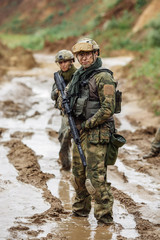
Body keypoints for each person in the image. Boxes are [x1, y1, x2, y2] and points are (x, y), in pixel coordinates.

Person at [66, 38, 117, 225]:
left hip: (97, 133)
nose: (84, 58)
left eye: (87, 54)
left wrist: (87, 125)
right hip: (79, 132)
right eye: (80, 55)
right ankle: (80, 213)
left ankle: (104, 219)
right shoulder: (78, 75)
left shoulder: (103, 77)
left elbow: (107, 109)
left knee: (95, 179)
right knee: (78, 177)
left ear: (96, 54)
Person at [51, 50, 77, 171]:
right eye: (60, 62)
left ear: (72, 61)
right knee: (63, 138)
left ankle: (80, 168)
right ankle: (66, 165)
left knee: (79, 140)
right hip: (65, 114)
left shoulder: (78, 75)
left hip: (78, 113)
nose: (63, 65)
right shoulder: (58, 76)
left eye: (65, 62)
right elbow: (52, 95)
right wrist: (58, 92)